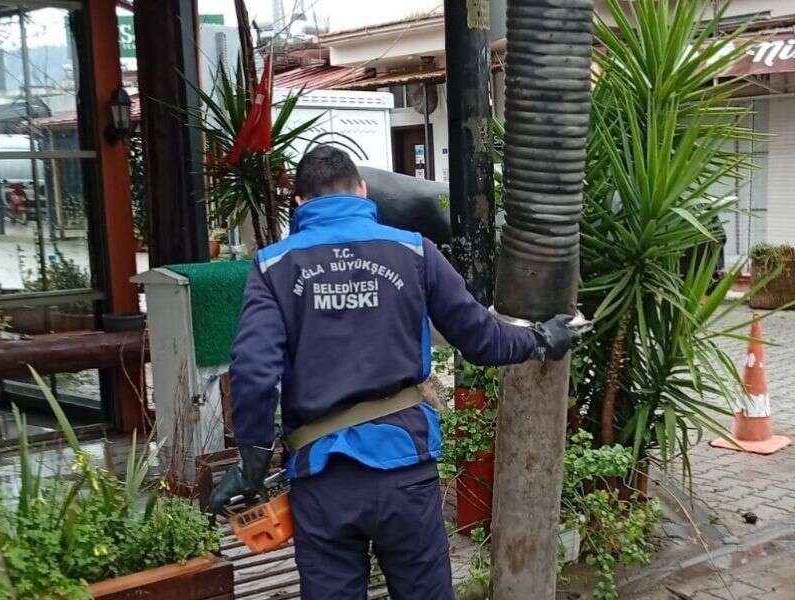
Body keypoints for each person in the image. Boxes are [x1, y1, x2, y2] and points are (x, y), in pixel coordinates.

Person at [210, 146, 579, 599]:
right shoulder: (414, 250)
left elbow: (253, 370)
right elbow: (482, 340)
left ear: (300, 203)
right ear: (362, 191)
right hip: (404, 469)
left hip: (322, 479)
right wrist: (542, 339)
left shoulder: (273, 265)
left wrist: (251, 463)